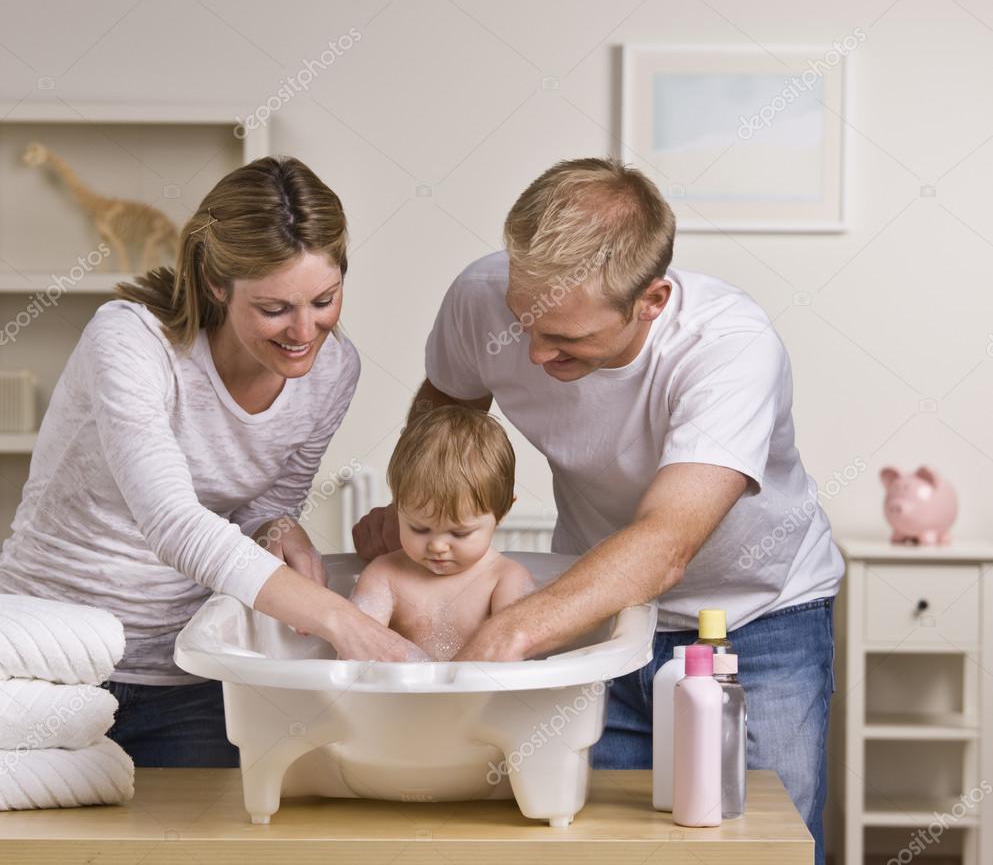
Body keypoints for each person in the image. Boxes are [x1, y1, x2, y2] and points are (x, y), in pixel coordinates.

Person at [353, 156, 843, 864]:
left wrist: (512, 631)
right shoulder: (483, 295)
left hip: (756, 620)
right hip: (599, 618)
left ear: (651, 299)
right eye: (525, 321)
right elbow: (449, 398)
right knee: (596, 847)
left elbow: (666, 540)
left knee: (754, 846)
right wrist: (416, 509)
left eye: (567, 340)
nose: (532, 350)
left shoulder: (728, 351)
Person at [0, 155, 421, 768]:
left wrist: (278, 526)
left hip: (188, 674)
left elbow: (265, 504)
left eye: (324, 299)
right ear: (218, 284)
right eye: (274, 308)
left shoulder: (333, 369)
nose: (305, 331)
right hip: (46, 665)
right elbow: (171, 521)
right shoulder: (130, 341)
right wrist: (344, 623)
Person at [350, 406, 534, 660]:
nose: (437, 546)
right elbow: (354, 656)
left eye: (459, 534)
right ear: (397, 507)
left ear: (501, 513)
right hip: (400, 698)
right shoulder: (384, 576)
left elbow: (518, 667)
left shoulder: (505, 581)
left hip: (483, 698)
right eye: (419, 528)